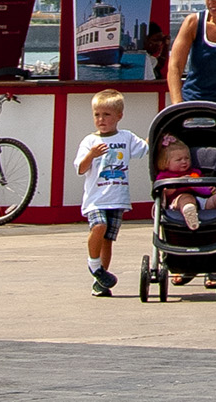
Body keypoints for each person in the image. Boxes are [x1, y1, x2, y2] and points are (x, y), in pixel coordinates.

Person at [71, 88, 146, 296]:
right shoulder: (89, 141)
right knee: (99, 226)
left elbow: (145, 149)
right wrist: (91, 155)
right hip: (96, 199)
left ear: (119, 116)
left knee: (108, 239)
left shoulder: (126, 137)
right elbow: (80, 168)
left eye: (106, 115)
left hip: (117, 197)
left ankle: (101, 280)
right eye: (97, 115)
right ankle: (94, 265)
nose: (101, 119)